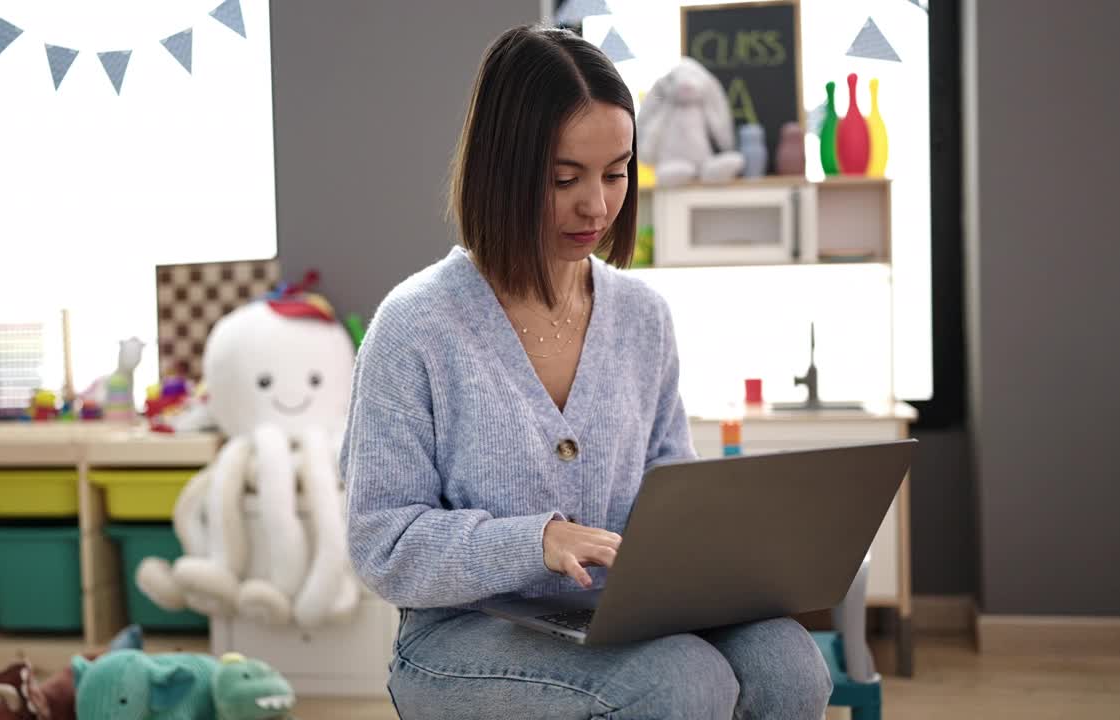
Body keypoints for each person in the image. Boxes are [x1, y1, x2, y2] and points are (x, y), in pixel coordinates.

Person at [341, 24, 832, 720]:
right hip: (461, 635)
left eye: (617, 171)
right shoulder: (415, 326)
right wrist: (534, 543)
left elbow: (672, 493)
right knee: (680, 681)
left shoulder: (642, 317)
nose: (598, 205)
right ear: (502, 170)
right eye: (564, 177)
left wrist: (735, 545)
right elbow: (381, 542)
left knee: (788, 662)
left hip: (618, 615)